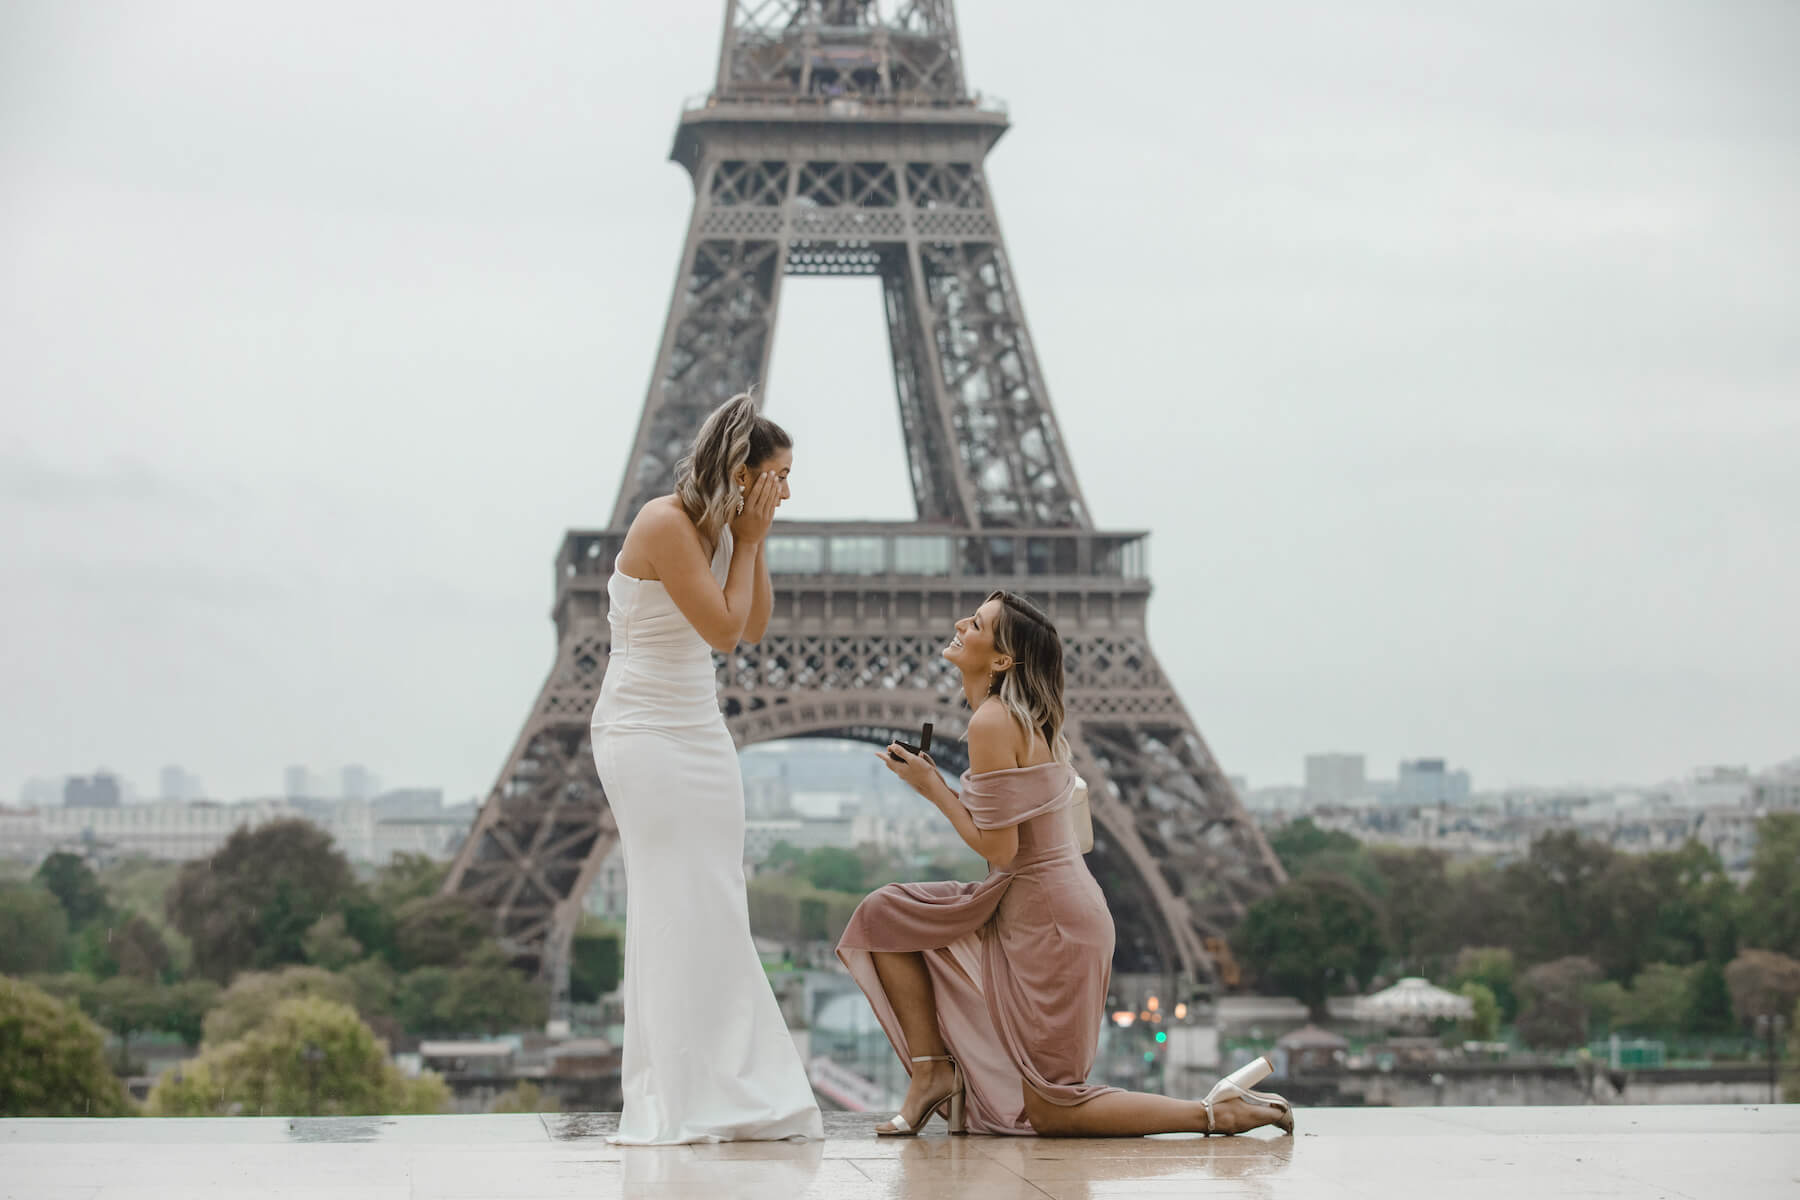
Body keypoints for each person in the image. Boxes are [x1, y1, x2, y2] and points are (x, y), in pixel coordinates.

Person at [837, 591, 1294, 1138]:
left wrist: (931, 786)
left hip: (1050, 923)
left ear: (1002, 659)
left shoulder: (992, 722)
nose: (960, 623)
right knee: (884, 914)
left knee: (1054, 1107)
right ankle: (932, 1071)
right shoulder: (1018, 718)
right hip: (1040, 906)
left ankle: (1214, 1112)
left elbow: (1000, 850)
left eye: (976, 623)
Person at [590, 391, 822, 1144]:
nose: (786, 492)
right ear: (742, 472)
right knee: (670, 900)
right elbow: (722, 630)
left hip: (699, 727)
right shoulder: (664, 522)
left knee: (718, 897)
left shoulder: (726, 531)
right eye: (779, 476)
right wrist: (747, 542)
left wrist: (753, 539)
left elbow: (753, 626)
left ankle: (727, 1079)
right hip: (646, 730)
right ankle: (677, 1089)